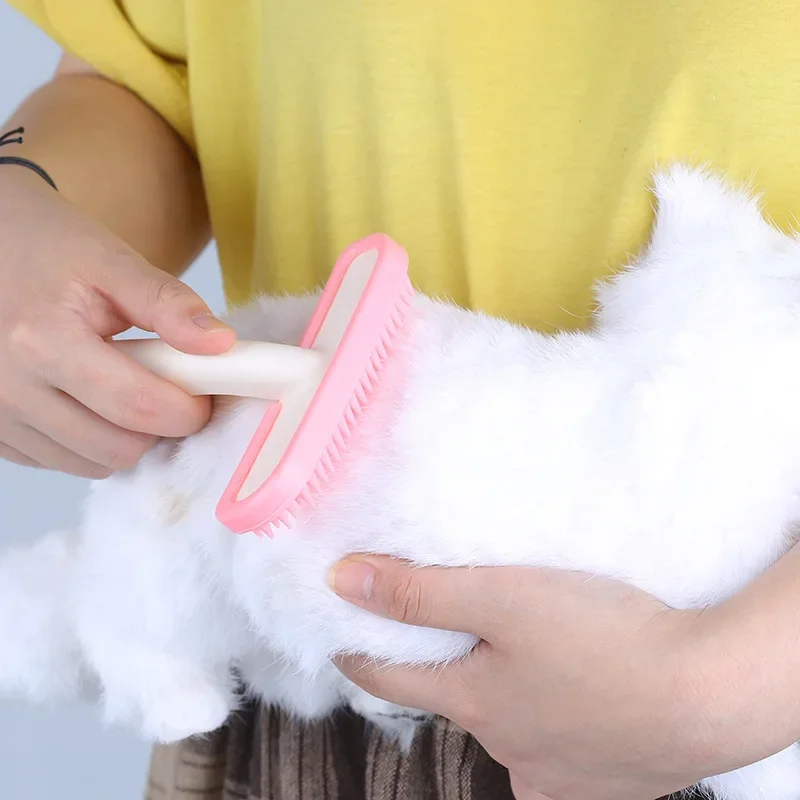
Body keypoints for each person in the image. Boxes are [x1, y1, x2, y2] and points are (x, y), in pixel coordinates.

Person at [3, 2, 800, 799]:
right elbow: (153, 80)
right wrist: (21, 207)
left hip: (742, 715)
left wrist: (733, 682)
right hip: (310, 664)